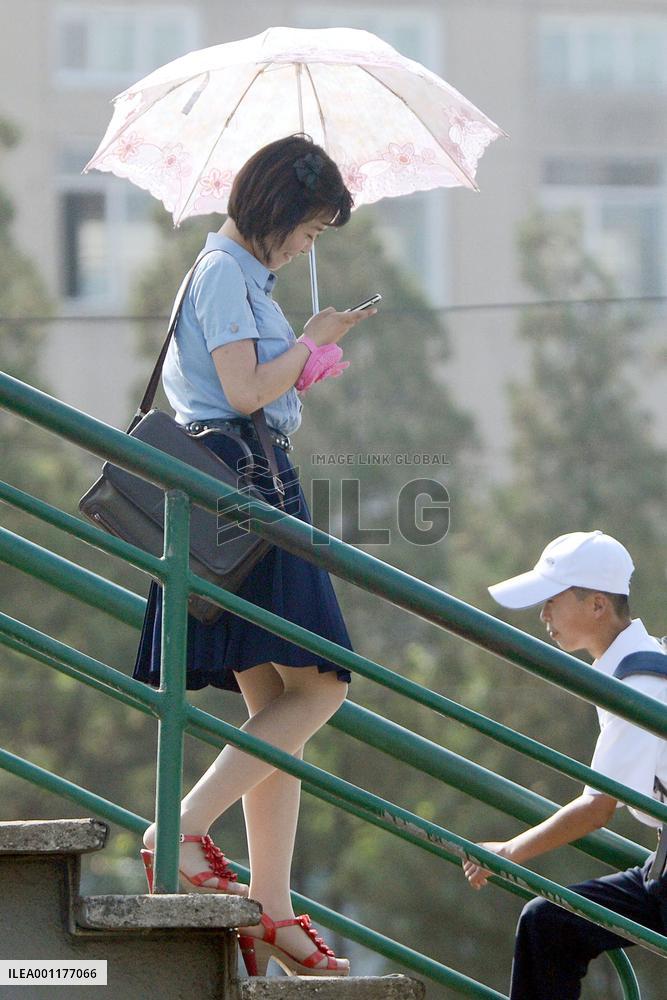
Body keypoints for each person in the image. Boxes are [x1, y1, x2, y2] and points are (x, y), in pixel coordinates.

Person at [133, 134, 377, 977]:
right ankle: (179, 827)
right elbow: (240, 392)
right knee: (324, 683)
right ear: (275, 210)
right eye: (309, 230)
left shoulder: (240, 278)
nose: (308, 246)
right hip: (242, 488)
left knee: (277, 702)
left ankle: (271, 908)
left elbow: (250, 388)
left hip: (245, 480)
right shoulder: (223, 273)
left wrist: (303, 360)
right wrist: (306, 344)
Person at [462, 530, 667, 999]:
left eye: (552, 600)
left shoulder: (639, 682)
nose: (543, 615)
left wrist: (510, 851)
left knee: (549, 924)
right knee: (548, 924)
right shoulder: (639, 664)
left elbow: (597, 808)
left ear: (598, 605)